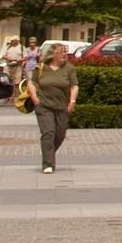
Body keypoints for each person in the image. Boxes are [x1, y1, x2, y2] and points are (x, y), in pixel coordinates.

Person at [29, 41, 79, 173]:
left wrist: (72, 102)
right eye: (61, 52)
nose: (64, 54)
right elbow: (32, 83)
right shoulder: (41, 67)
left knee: (60, 134)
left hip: (62, 106)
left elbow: (74, 86)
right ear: (53, 54)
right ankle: (48, 164)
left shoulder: (69, 68)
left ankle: (49, 153)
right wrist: (34, 97)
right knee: (48, 133)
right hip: (44, 105)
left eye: (65, 52)